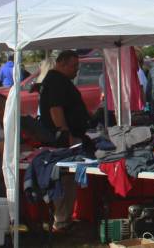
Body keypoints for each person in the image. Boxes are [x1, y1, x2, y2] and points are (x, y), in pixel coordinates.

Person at [39, 50, 90, 232]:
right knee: (63, 178)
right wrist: (64, 132)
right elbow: (55, 108)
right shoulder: (56, 81)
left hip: (66, 137)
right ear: (60, 64)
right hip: (62, 140)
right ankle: (61, 220)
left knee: (68, 178)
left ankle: (64, 219)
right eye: (73, 66)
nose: (76, 70)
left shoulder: (58, 80)